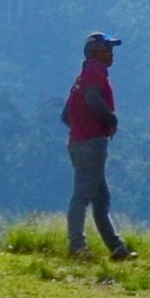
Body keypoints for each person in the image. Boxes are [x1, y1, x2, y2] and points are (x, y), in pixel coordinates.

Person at [63, 34, 128, 262]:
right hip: (92, 144)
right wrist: (110, 120)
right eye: (108, 48)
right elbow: (92, 99)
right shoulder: (94, 72)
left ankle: (117, 249)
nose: (111, 53)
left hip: (78, 142)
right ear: (96, 52)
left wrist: (80, 128)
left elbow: (65, 115)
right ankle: (76, 246)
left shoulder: (81, 77)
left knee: (100, 198)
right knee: (82, 195)